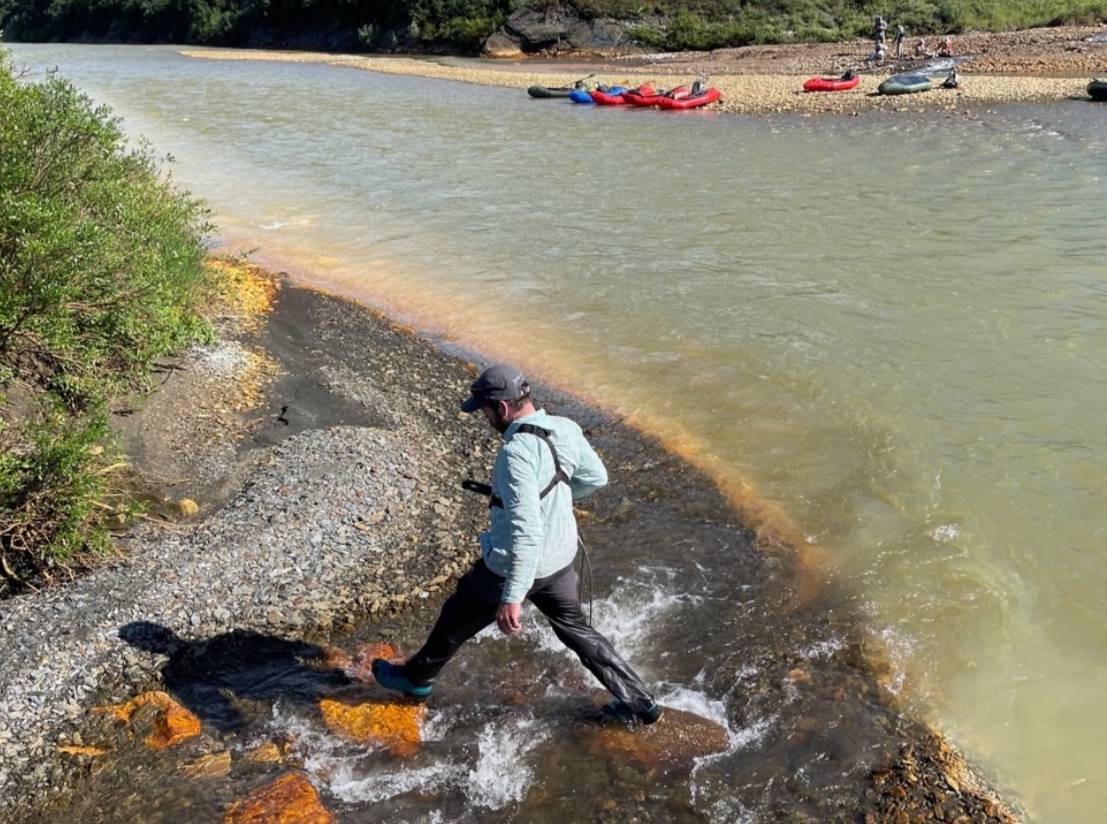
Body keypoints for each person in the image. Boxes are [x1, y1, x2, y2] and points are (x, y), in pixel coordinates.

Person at [372, 365, 662, 725]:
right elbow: (595, 478)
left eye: (485, 410)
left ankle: (416, 680)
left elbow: (525, 531)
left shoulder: (516, 454)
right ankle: (641, 701)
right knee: (578, 632)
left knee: (455, 617)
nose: (485, 418)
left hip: (513, 564)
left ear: (503, 409)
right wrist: (555, 505)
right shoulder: (566, 428)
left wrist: (513, 596)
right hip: (560, 561)